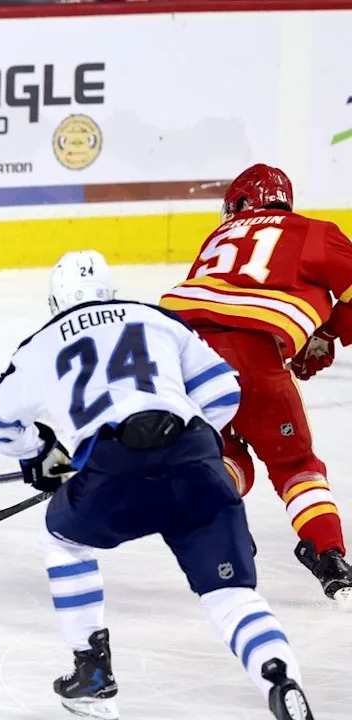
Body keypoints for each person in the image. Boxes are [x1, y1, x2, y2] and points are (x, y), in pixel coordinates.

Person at [0, 250, 314, 720]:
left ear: (55, 301)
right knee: (231, 594)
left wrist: (40, 452)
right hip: (197, 463)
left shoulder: (40, 345)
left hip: (116, 470)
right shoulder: (157, 319)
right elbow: (223, 392)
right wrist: (186, 441)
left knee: (62, 538)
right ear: (109, 292)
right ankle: (279, 678)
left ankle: (92, 671)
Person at [161, 164, 352, 604]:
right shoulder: (312, 231)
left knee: (222, 454)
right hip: (256, 359)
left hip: (185, 356)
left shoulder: (216, 239)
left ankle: (221, 523)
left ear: (241, 204)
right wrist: (329, 328)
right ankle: (328, 553)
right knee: (295, 465)